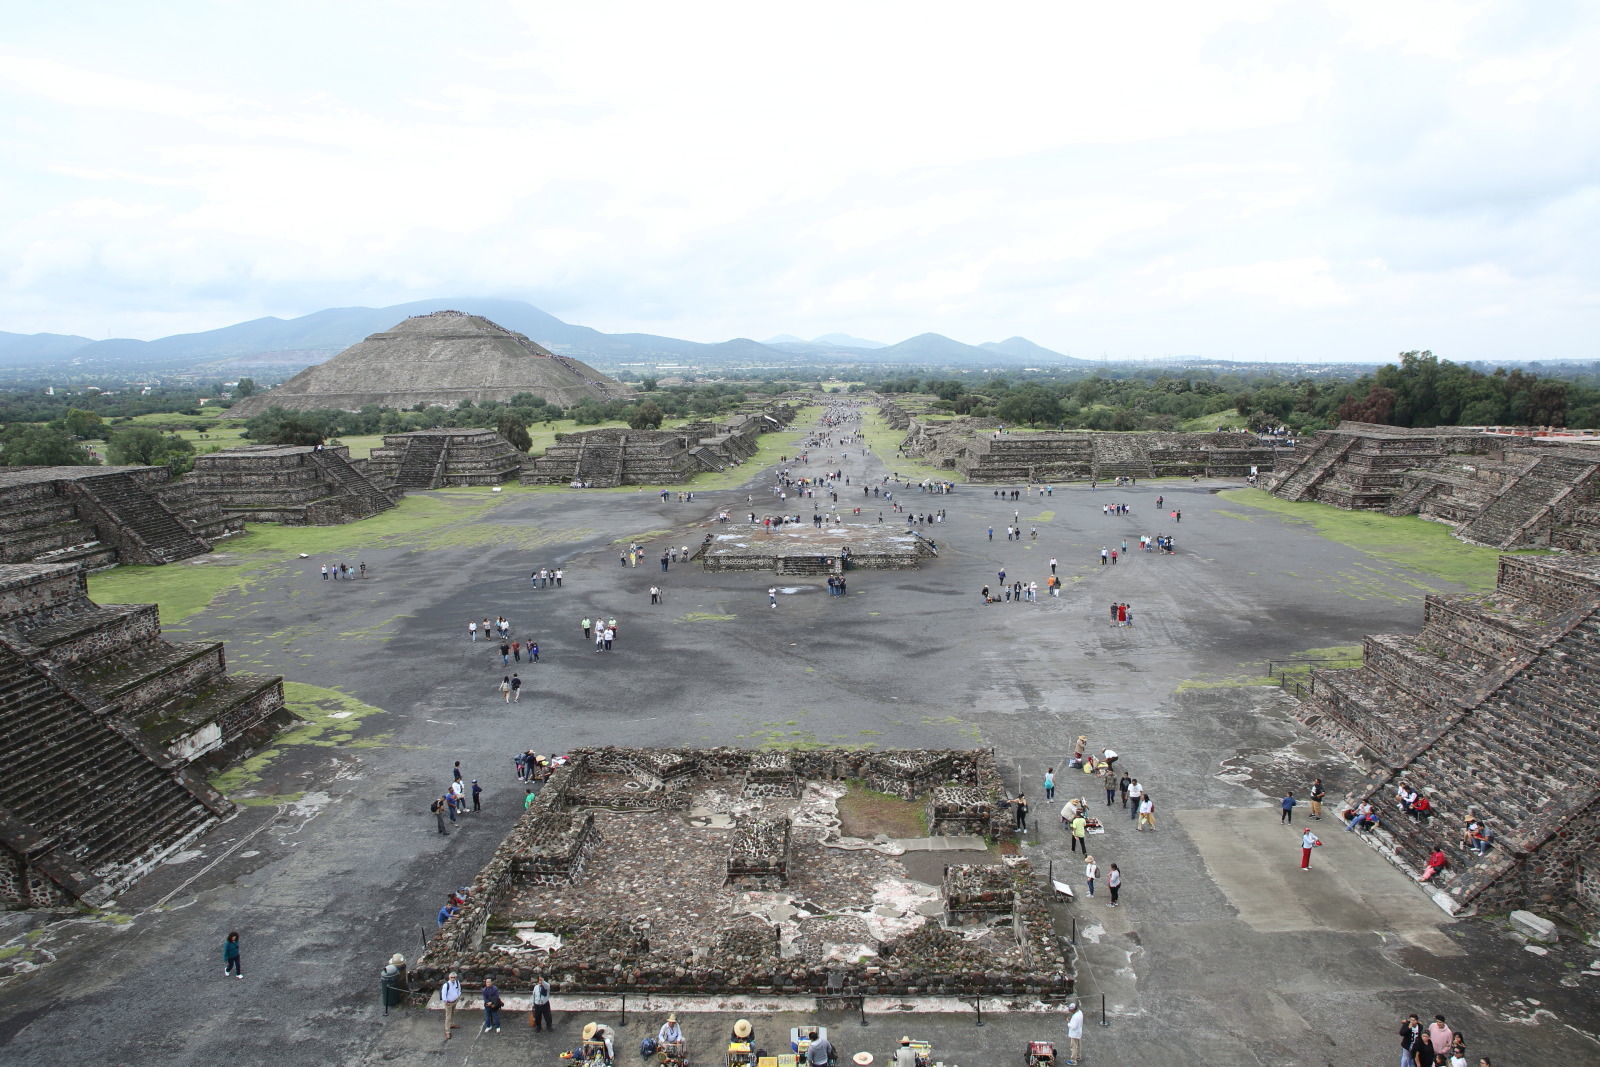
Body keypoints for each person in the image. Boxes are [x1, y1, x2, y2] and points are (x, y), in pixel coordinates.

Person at [441, 971, 462, 1040]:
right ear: (449, 977)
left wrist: (458, 997)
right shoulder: (446, 985)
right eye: (451, 977)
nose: (453, 978)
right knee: (448, 1017)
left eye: (454, 977)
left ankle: (451, 1024)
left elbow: (459, 990)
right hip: (449, 1003)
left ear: (456, 978)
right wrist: (446, 1001)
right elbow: (443, 995)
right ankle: (447, 1031)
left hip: (455, 1001)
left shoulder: (457, 982)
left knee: (452, 1013)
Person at [1064, 1001, 1084, 1065]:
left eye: (1070, 1010)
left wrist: (1068, 1023)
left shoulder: (1075, 1017)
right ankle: (1078, 1057)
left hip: (1074, 1034)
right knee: (1078, 1045)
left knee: (1073, 1047)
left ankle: (1073, 1060)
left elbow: (1073, 1027)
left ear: (1073, 1010)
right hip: (1079, 1032)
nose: (1069, 1011)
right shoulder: (1080, 1012)